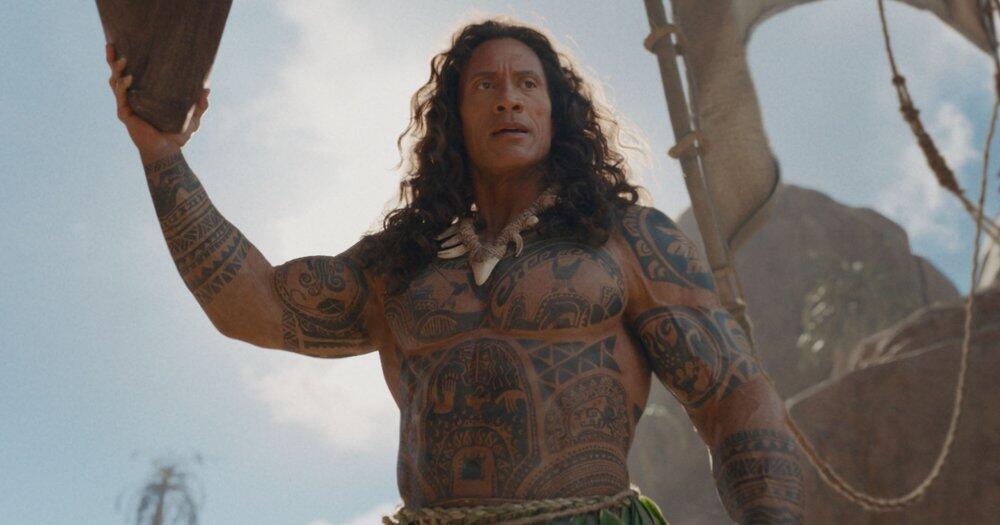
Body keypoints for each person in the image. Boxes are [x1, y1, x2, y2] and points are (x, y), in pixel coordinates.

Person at [106, 18, 803, 525]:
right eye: (486, 86)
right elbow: (259, 306)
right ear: (455, 117)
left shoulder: (626, 238)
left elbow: (732, 396)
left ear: (556, 112)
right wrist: (162, 156)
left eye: (527, 84)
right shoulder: (402, 261)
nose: (508, 99)